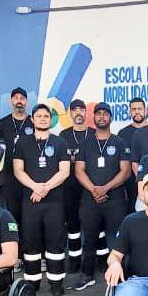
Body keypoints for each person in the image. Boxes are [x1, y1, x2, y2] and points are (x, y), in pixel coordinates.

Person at [70, 103, 132, 291]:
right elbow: (79, 170)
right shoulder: (85, 143)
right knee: (89, 239)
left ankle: (120, 276)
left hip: (115, 199)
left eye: (105, 114)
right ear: (94, 118)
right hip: (90, 200)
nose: (102, 117)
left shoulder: (120, 142)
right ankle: (87, 275)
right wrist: (94, 190)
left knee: (117, 239)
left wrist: (105, 188)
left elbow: (126, 171)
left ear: (110, 118)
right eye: (98, 114)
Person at [12, 104, 71, 296]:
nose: (43, 119)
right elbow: (18, 170)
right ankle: (32, 282)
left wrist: (44, 188)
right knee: (31, 242)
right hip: (31, 201)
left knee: (55, 242)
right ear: (32, 119)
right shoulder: (23, 143)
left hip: (54, 202)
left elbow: (65, 171)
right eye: (39, 116)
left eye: (46, 116)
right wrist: (35, 187)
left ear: (50, 120)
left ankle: (56, 283)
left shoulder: (60, 142)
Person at [0, 87, 34, 229]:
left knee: (30, 214)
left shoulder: (33, 122)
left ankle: (29, 242)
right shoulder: (3, 124)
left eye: (22, 98)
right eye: (16, 98)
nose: (19, 101)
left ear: (26, 102)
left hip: (30, 176)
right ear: (11, 101)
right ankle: (15, 242)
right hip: (9, 177)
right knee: (13, 215)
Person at [60, 99, 91, 273]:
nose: (78, 112)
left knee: (95, 224)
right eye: (74, 110)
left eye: (81, 109)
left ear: (86, 112)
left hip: (90, 186)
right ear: (70, 113)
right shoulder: (63, 135)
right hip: (69, 187)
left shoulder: (93, 133)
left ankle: (98, 259)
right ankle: (74, 259)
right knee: (73, 225)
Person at [119, 97, 148, 207]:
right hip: (129, 184)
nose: (137, 112)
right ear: (130, 112)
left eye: (139, 109)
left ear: (145, 111)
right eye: (133, 109)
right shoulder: (123, 133)